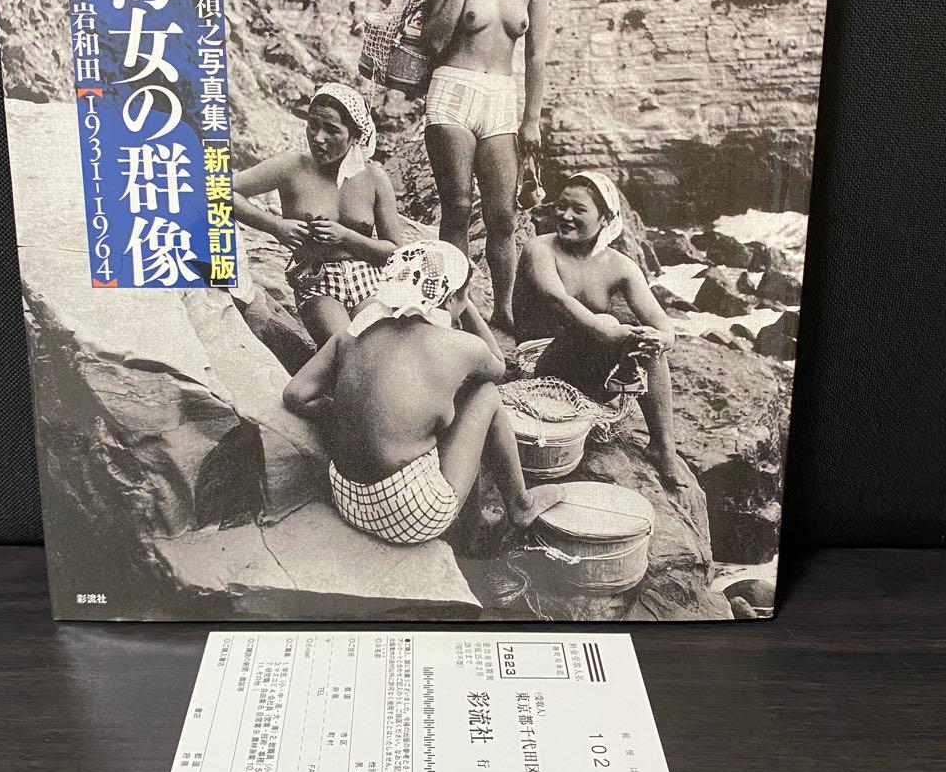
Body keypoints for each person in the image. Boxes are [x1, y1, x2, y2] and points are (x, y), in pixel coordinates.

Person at [282, 240, 565, 546]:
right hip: (409, 515)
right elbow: (498, 367)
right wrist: (465, 305)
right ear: (452, 296)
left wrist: (352, 413)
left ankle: (475, 520)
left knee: (436, 407)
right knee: (484, 393)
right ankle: (520, 504)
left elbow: (296, 394)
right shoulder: (460, 347)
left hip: (346, 498)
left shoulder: (353, 332)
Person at [419, 0, 550, 334]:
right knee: (456, 206)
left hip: (501, 99)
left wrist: (532, 119)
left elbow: (536, 56)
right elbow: (433, 43)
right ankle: (453, 306)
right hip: (452, 90)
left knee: (502, 215)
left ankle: (505, 310)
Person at [512, 172, 693, 490]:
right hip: (539, 365)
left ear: (605, 218)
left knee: (648, 342)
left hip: (587, 366)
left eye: (578, 210)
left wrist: (659, 339)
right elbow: (558, 300)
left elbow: (664, 326)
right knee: (614, 326)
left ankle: (663, 446)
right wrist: (612, 331)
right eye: (562, 206)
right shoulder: (539, 249)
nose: (565, 216)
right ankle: (625, 371)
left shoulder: (620, 266)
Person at [233, 83, 403, 347]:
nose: (318, 138)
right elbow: (219, 190)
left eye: (331, 130)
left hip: (368, 279)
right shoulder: (291, 167)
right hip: (317, 279)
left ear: (355, 136)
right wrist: (275, 226)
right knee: (345, 347)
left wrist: (345, 237)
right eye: (312, 125)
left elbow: (393, 253)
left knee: (380, 346)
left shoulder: (375, 178)